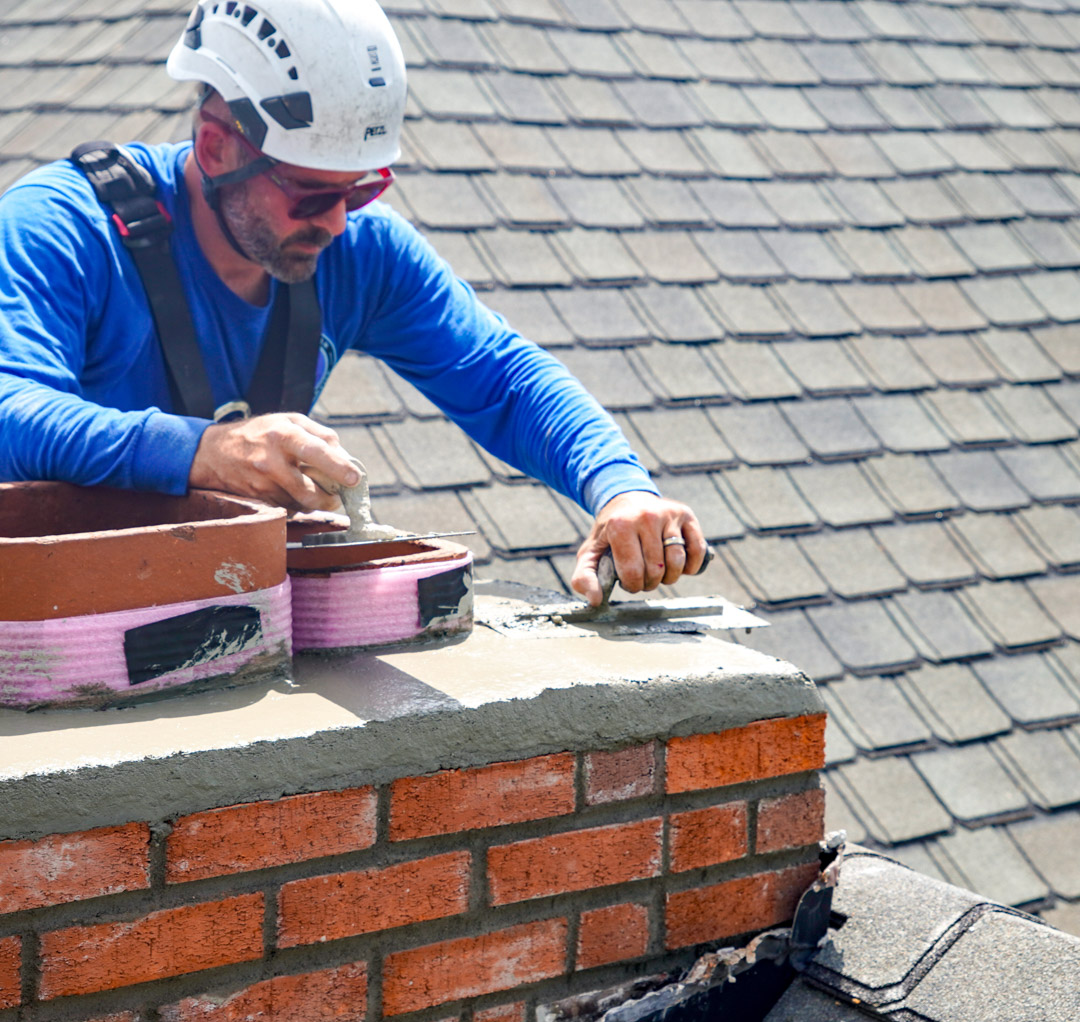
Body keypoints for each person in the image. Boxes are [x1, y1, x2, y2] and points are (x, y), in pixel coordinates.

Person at [0, 0, 705, 605]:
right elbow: (11, 411)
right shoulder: (61, 229)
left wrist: (620, 488)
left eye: (360, 190)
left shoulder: (357, 250)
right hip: (44, 620)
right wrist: (202, 452)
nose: (338, 223)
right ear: (215, 148)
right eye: (311, 193)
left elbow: (503, 378)